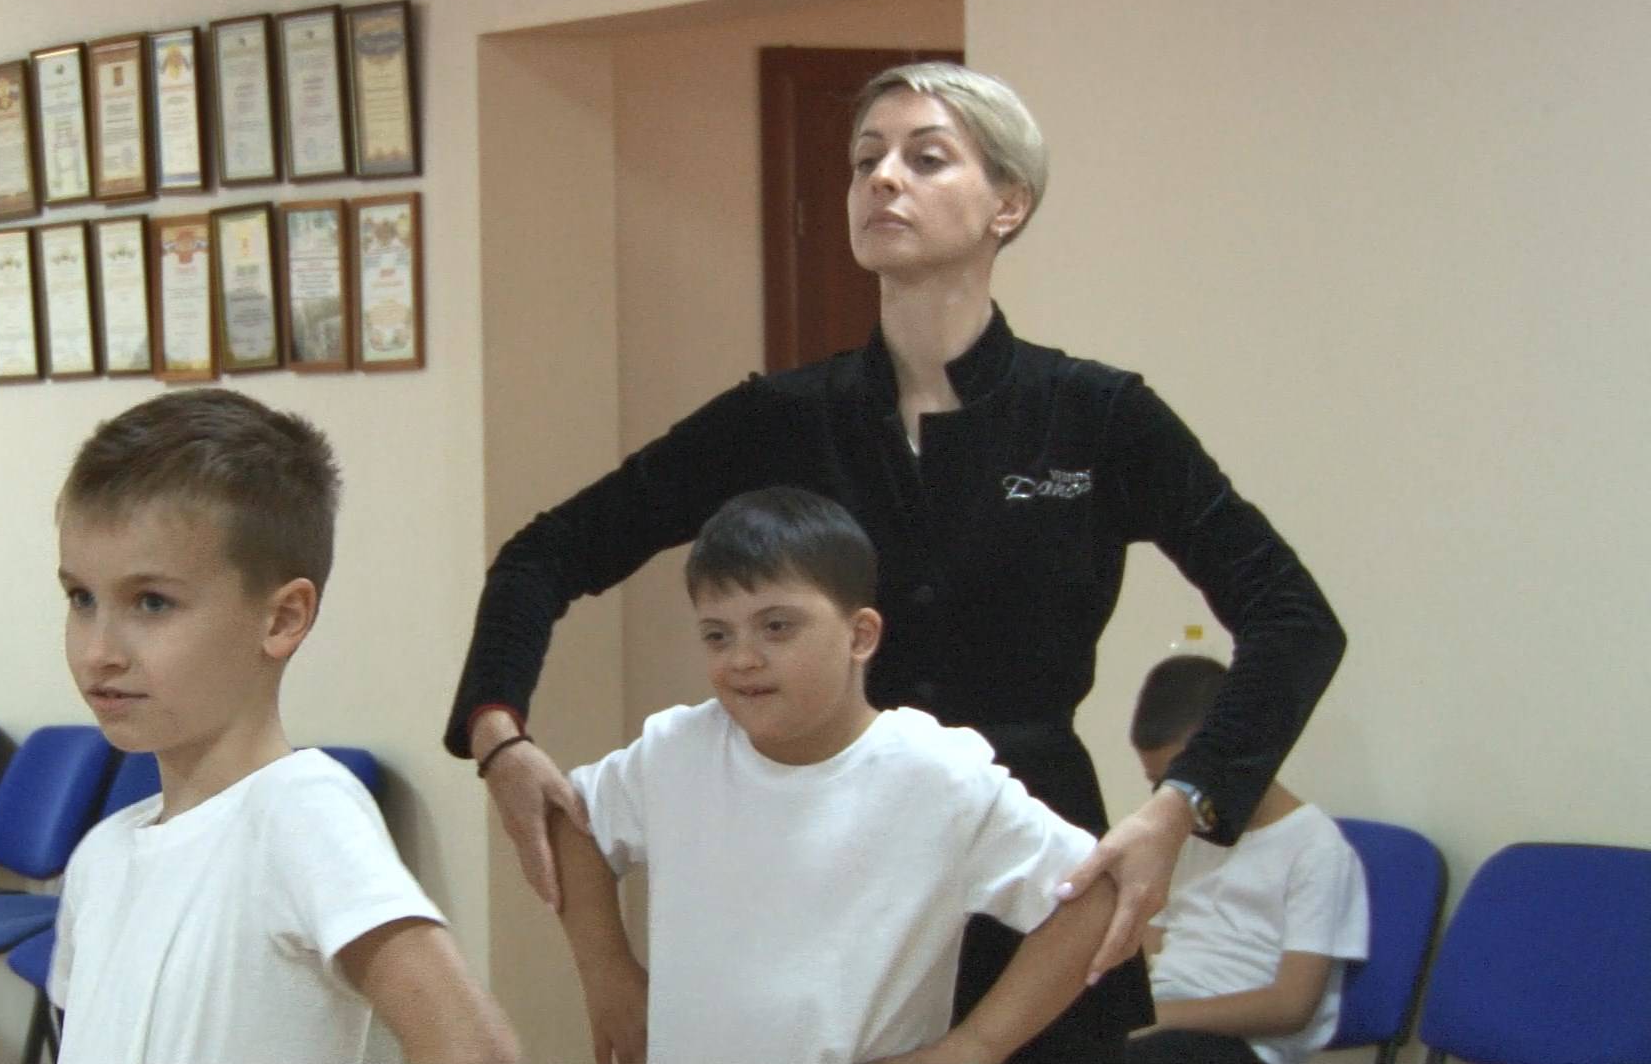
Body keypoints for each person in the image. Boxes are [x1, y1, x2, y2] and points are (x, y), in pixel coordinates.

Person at [447, 60, 1346, 1061]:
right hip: (828, 877)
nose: (882, 178)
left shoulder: (1097, 417)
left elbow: (1294, 618)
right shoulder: (779, 418)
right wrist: (498, 732)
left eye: (926, 158)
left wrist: (1184, 804)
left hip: (1033, 873)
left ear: (1009, 203)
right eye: (865, 159)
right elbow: (543, 553)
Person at [553, 487, 1116, 1064]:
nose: (742, 658)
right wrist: (608, 973)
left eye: (777, 627)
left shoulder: (936, 774)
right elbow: (573, 821)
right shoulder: (675, 751)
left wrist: (976, 1046)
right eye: (717, 635)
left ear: (860, 635)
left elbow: (1091, 898)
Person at [51, 389, 519, 1064]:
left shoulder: (299, 813)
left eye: (151, 602)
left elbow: (473, 1048)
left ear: (282, 618)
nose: (100, 650)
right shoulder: (100, 859)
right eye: (81, 598)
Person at [1126, 656, 1368, 1064]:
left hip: (1245, 1043)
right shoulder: (1186, 832)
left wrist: (1159, 1017)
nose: (1174, 797)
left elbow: (1291, 1007)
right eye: (1160, 785)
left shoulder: (1317, 848)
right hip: (1167, 1019)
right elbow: (1150, 948)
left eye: (1185, 780)